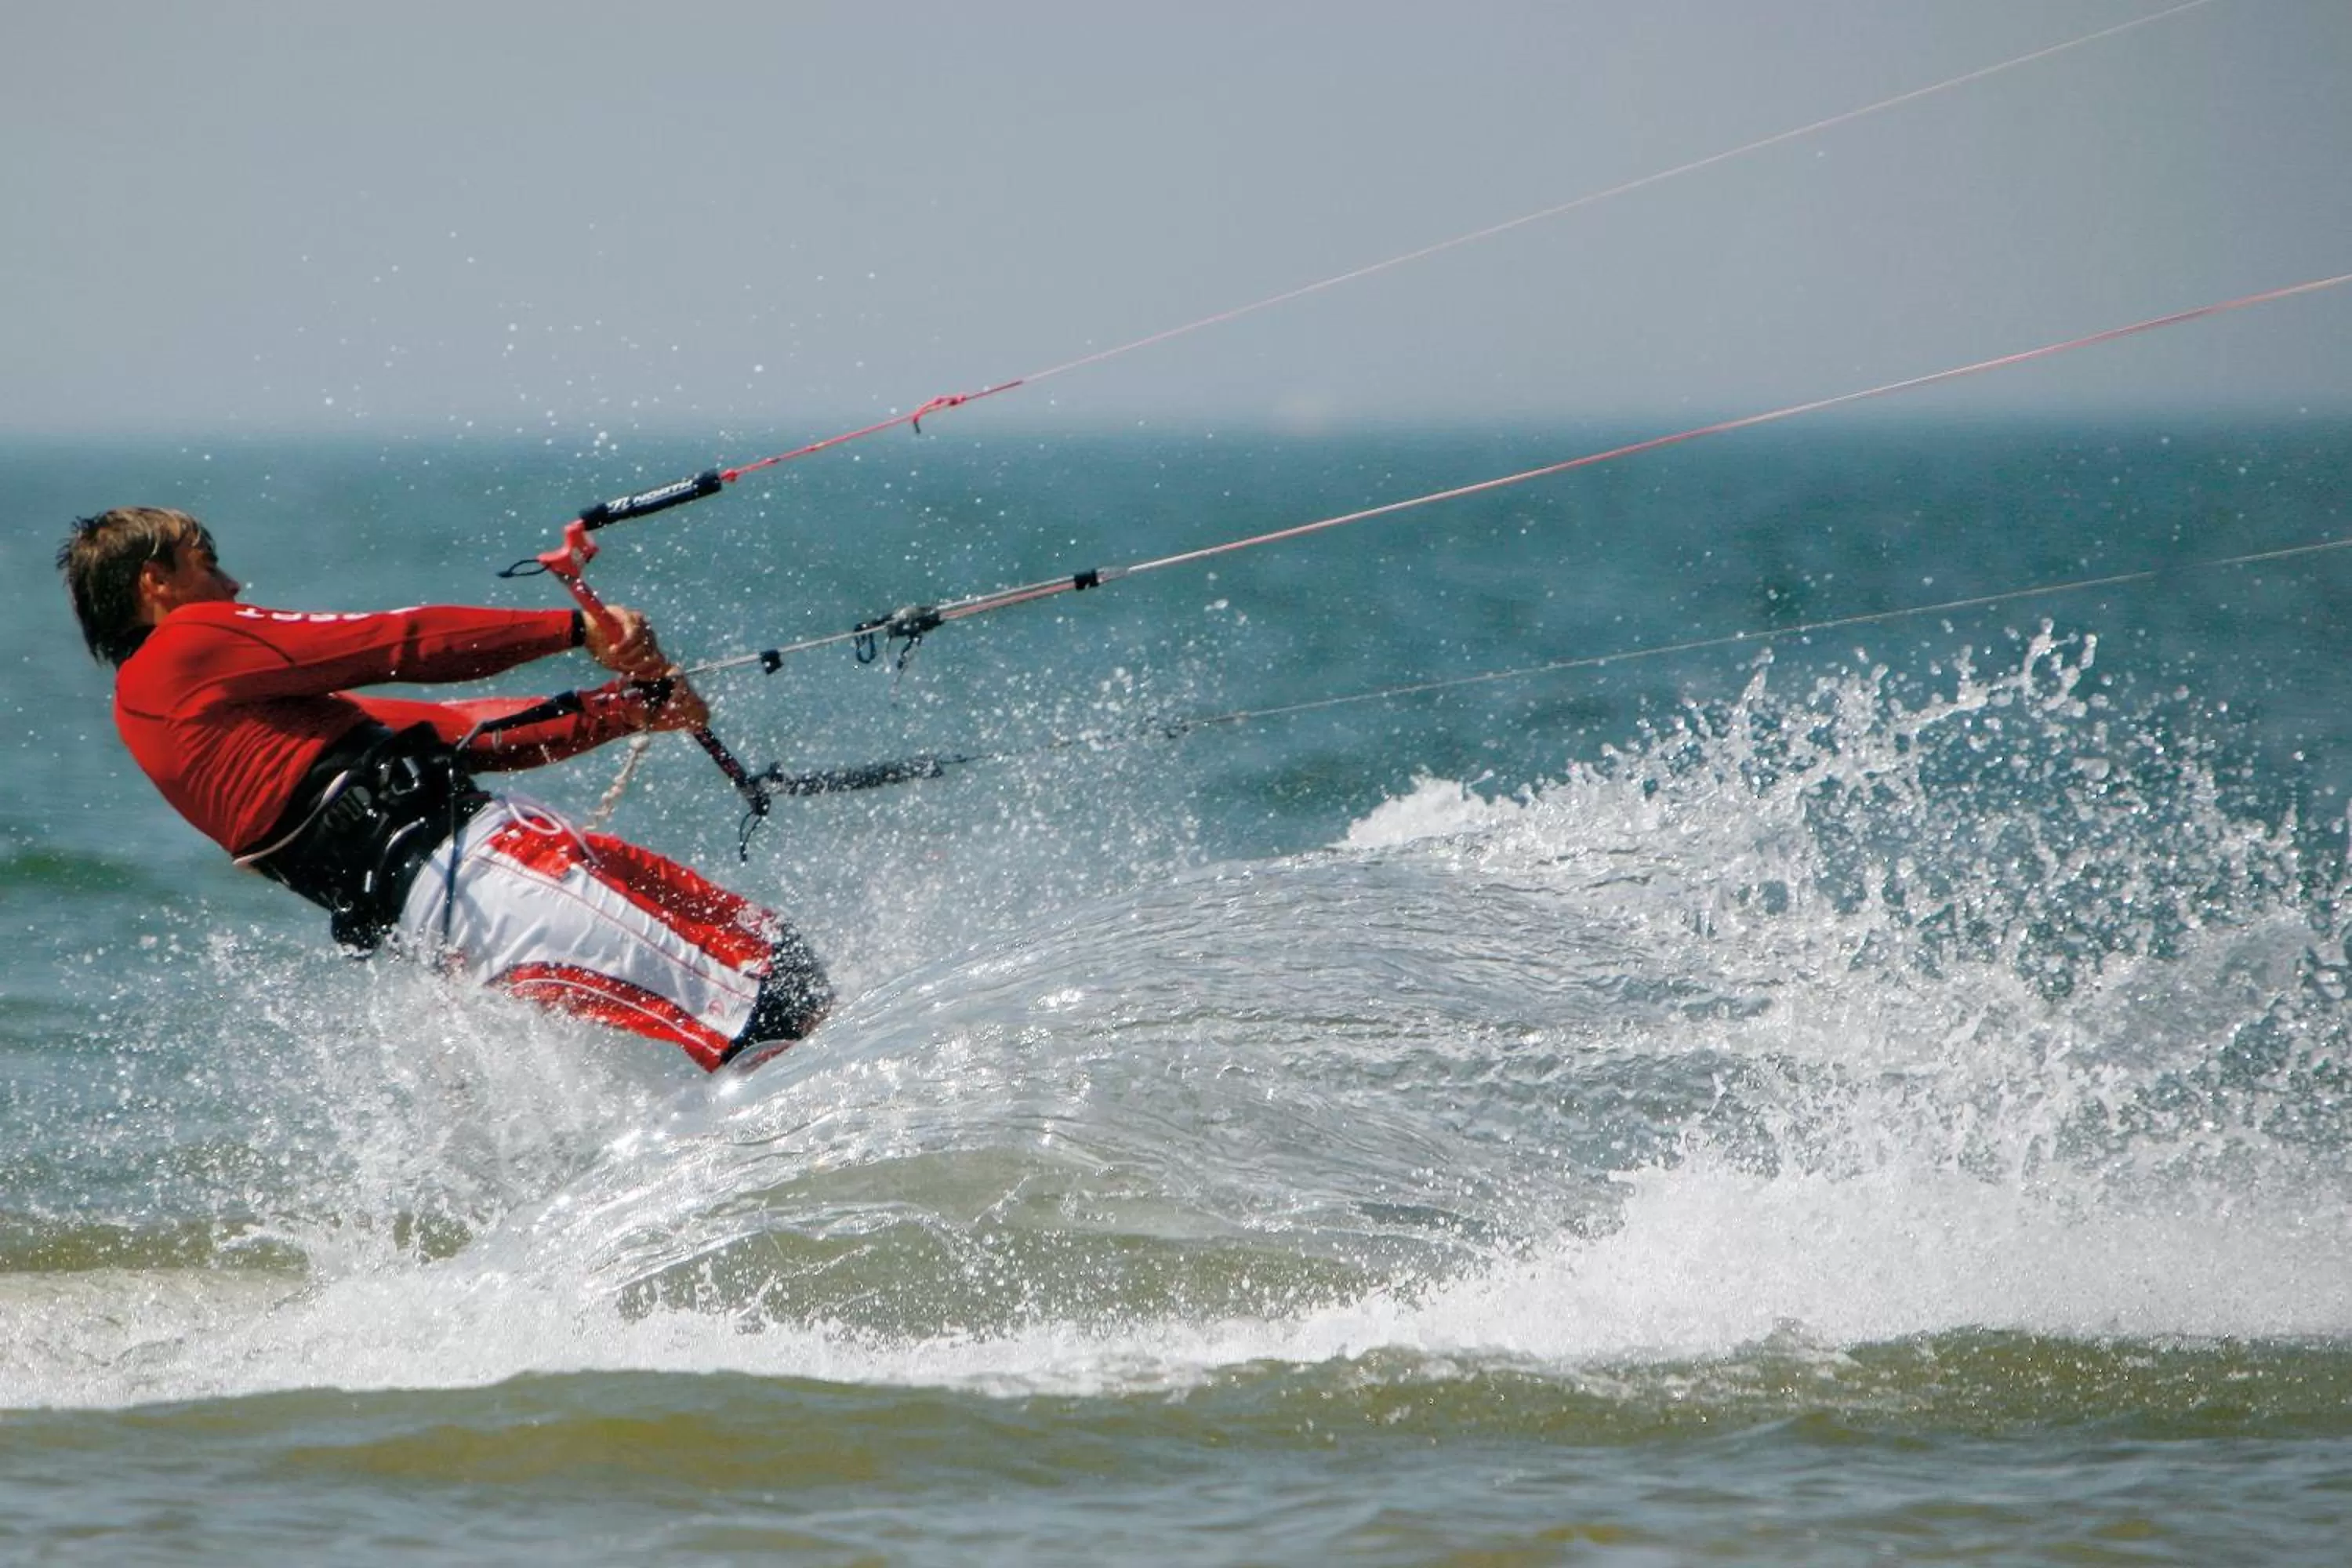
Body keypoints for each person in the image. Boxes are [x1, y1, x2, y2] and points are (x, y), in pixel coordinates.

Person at [57, 506, 829, 1072]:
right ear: (154, 583)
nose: (231, 581)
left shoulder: (206, 705)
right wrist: (573, 631)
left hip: (476, 896)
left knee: (775, 959)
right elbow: (395, 642)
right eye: (206, 560)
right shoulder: (188, 646)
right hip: (485, 879)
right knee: (758, 1010)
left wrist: (630, 711)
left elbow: (463, 728)